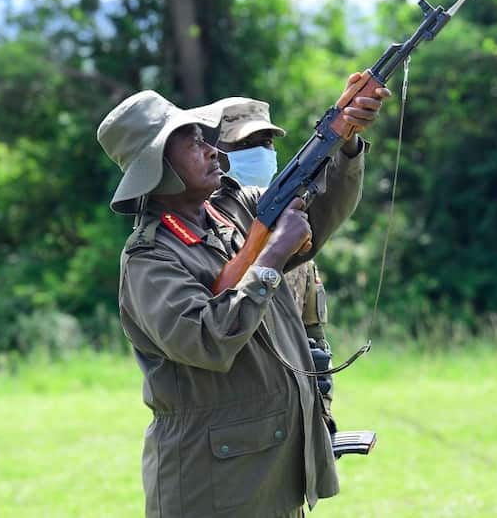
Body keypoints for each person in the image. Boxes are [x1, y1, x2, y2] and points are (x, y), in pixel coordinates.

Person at [96, 73, 389, 518]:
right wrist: (271, 256)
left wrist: (345, 141)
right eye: (194, 143)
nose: (213, 149)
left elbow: (321, 212)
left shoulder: (233, 209)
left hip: (271, 474)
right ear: (160, 167)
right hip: (213, 489)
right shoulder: (149, 259)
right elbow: (207, 341)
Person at [208, 96, 336, 431]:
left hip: (296, 414)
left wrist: (323, 412)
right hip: (238, 416)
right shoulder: (206, 227)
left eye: (265, 142)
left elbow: (314, 337)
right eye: (245, 144)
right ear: (214, 152)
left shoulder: (289, 224)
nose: (261, 152)